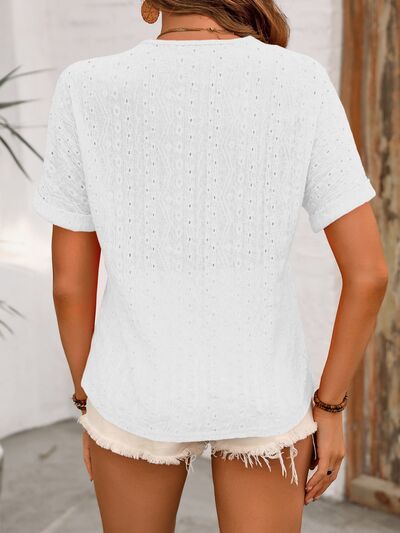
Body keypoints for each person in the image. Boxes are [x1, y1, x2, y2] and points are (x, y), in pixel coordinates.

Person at [32, 1, 388, 531]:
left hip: (134, 391)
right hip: (264, 392)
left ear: (151, 4)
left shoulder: (86, 87)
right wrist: (330, 410)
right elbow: (369, 275)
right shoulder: (300, 81)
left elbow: (69, 285)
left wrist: (91, 404)